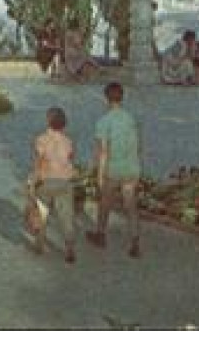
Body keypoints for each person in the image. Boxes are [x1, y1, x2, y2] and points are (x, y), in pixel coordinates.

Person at [87, 82, 142, 258]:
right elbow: (136, 144)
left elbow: (103, 151)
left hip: (114, 168)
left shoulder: (104, 121)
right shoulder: (130, 118)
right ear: (122, 97)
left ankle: (100, 234)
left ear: (106, 99)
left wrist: (99, 174)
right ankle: (134, 240)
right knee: (130, 204)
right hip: (131, 166)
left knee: (105, 202)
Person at [27, 107, 78, 262]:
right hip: (64, 182)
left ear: (48, 121)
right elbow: (70, 159)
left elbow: (39, 163)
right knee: (66, 217)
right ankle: (69, 248)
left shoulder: (41, 140)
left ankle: (40, 244)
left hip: (46, 182)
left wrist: (32, 182)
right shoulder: (68, 141)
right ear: (64, 124)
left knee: (42, 213)